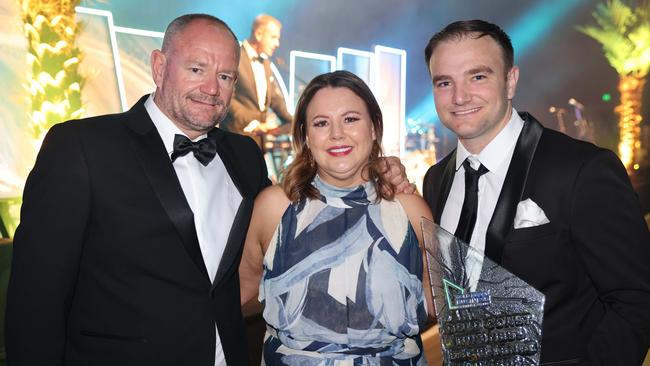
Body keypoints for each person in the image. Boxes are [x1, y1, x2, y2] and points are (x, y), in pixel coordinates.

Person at [6, 14, 411, 366]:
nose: (212, 88)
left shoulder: (243, 155)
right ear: (160, 66)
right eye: (197, 69)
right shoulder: (82, 147)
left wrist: (381, 172)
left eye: (225, 76)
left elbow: (277, 245)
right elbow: (35, 298)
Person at [421, 19, 650, 365]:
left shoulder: (582, 169)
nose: (460, 96)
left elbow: (636, 300)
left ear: (511, 80)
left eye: (478, 76)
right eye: (444, 82)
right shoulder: (436, 180)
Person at [239, 70, 434, 365]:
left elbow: (438, 303)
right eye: (321, 123)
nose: (337, 134)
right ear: (305, 135)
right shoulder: (275, 208)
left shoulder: (409, 210)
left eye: (351, 119)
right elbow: (241, 296)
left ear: (374, 128)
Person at [220, 14, 292, 145]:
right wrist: (254, 122)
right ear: (259, 34)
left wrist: (295, 121)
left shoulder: (266, 65)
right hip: (234, 140)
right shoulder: (234, 56)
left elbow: (276, 101)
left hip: (258, 143)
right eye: (273, 37)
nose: (277, 44)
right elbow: (225, 97)